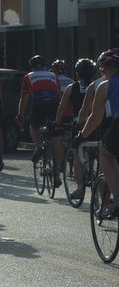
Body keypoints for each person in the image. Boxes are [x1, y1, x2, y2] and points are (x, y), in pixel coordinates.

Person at [72, 49, 119, 219]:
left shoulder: (104, 85)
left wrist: (82, 135)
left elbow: (95, 117)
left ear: (112, 68)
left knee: (104, 153)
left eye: (103, 69)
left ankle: (117, 197)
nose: (102, 73)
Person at [57, 57, 96, 200]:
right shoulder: (98, 85)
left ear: (77, 73)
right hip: (97, 123)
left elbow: (62, 108)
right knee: (102, 152)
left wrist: (57, 122)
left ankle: (80, 189)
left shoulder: (72, 88)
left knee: (77, 153)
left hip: (79, 123)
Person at [16, 55, 61, 176]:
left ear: (32, 67)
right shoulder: (53, 75)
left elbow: (24, 99)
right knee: (55, 135)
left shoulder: (28, 76)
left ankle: (39, 147)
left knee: (34, 126)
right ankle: (57, 171)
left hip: (39, 104)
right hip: (54, 105)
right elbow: (59, 94)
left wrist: (20, 115)